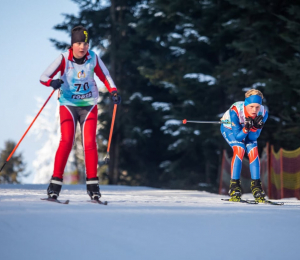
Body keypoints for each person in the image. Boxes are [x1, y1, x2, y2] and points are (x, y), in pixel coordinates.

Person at [40, 25, 121, 201]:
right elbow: (43, 77)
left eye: (85, 43)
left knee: (90, 143)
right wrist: (52, 83)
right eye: (78, 43)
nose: (83, 47)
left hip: (89, 105)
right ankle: (54, 185)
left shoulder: (93, 58)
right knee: (67, 141)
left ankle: (93, 187)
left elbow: (105, 76)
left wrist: (113, 91)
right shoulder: (63, 58)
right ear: (72, 45)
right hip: (68, 105)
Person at [220, 89, 268, 202]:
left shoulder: (263, 113)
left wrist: (255, 127)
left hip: (246, 132)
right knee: (240, 149)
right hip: (230, 129)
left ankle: (257, 187)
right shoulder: (236, 110)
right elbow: (238, 137)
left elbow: (252, 138)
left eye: (257, 107)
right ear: (246, 104)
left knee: (253, 151)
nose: (254, 110)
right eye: (251, 106)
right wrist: (246, 128)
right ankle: (234, 187)